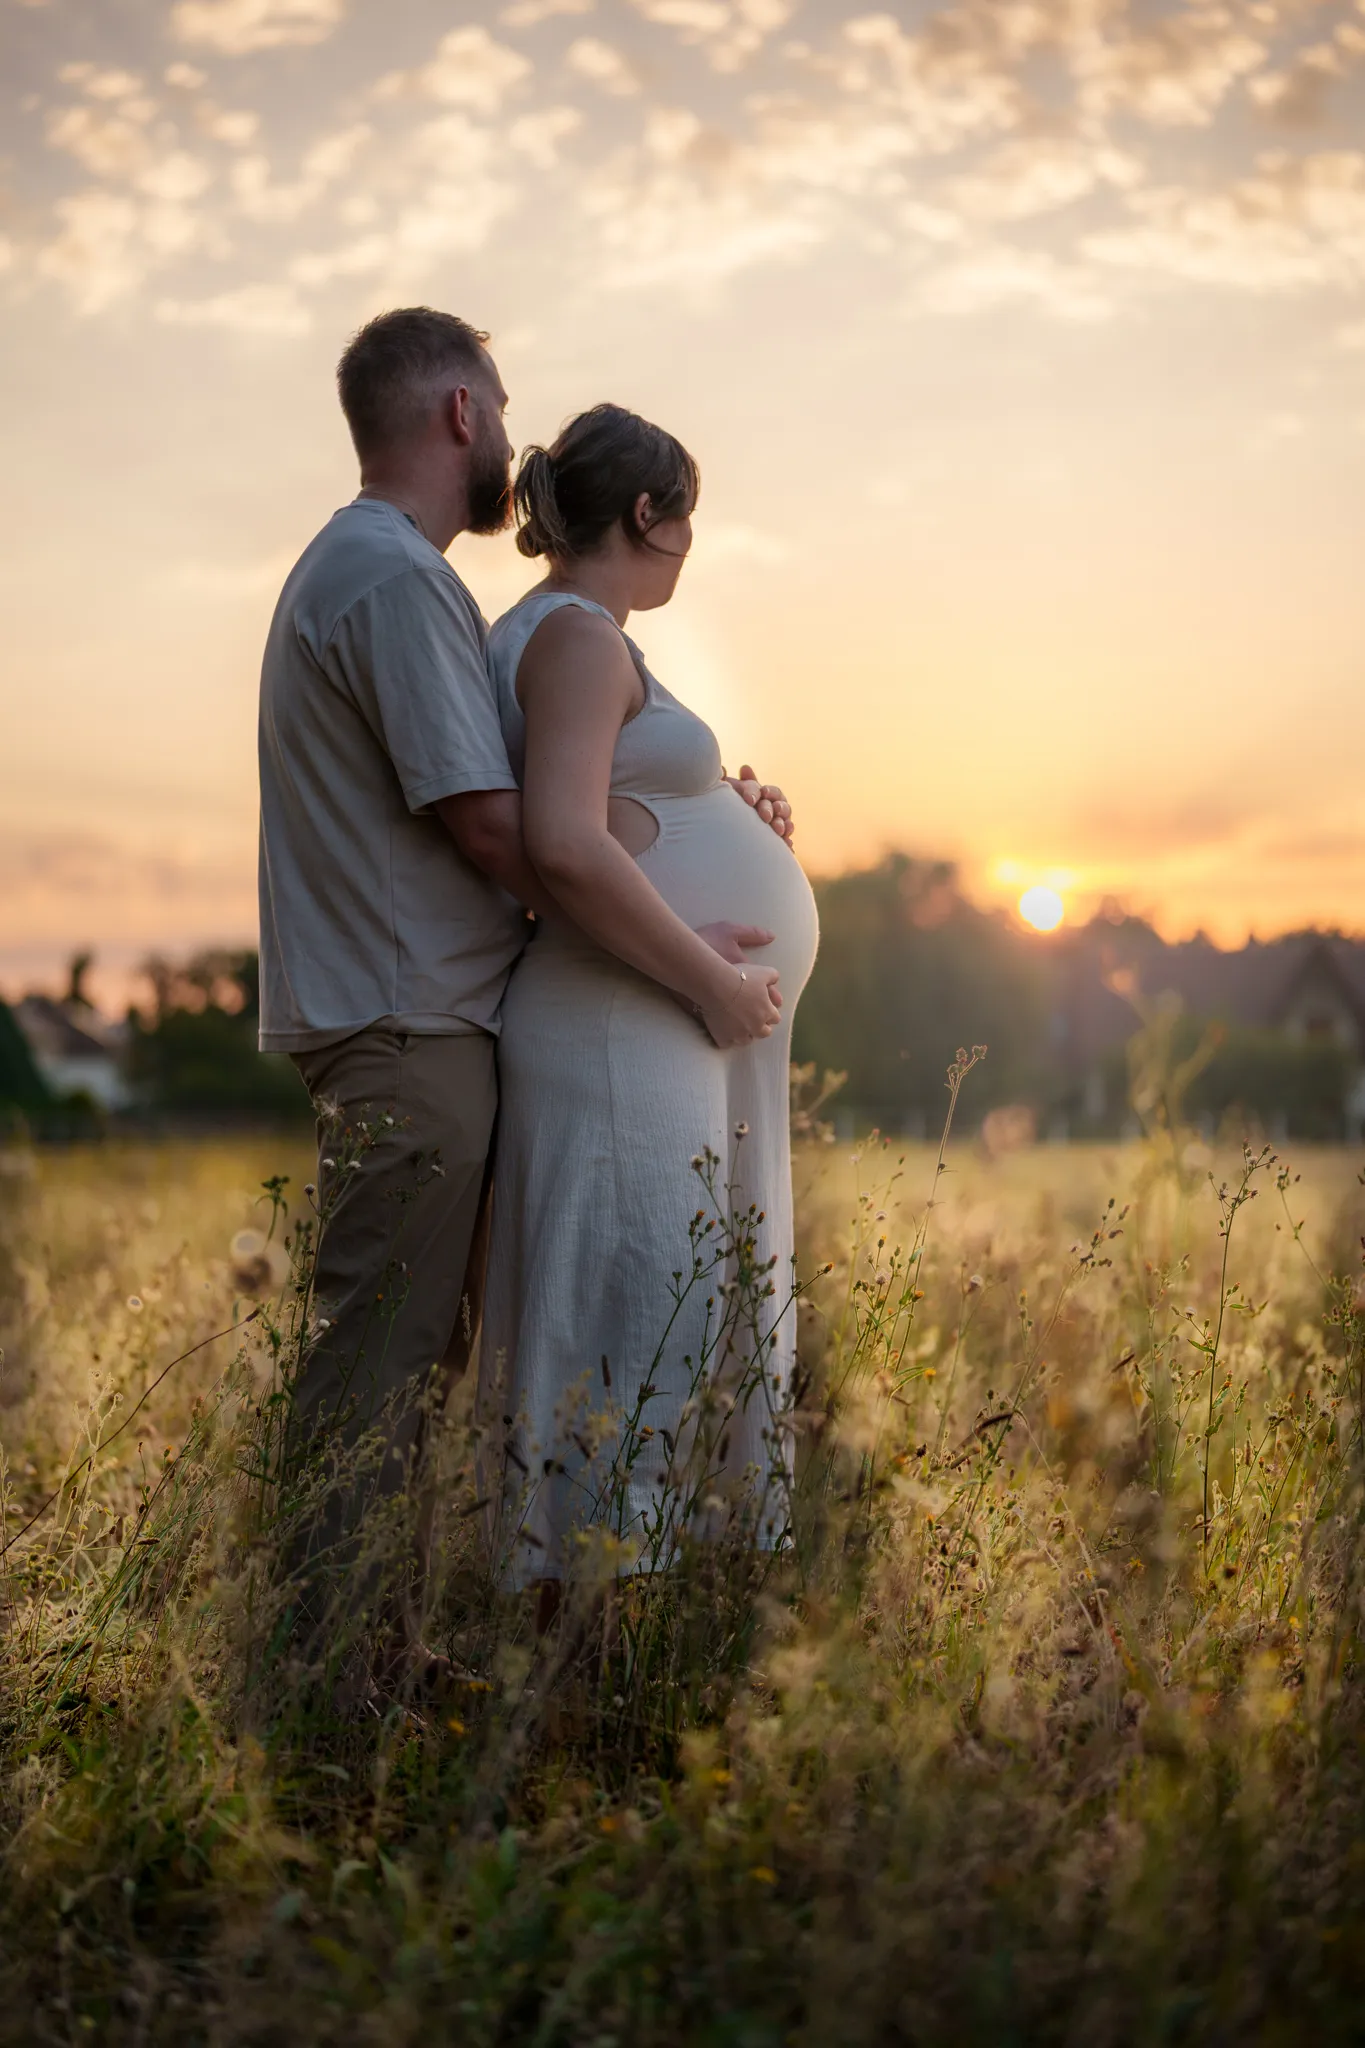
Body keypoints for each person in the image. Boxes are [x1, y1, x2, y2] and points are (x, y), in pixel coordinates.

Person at [256, 309, 793, 1662]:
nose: (510, 430)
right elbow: (516, 834)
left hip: (429, 1014)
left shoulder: (416, 586)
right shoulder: (396, 579)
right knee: (381, 1367)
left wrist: (695, 819)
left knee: (416, 1361)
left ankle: (374, 1654)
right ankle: (323, 1676)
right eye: (494, 403)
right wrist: (688, 942)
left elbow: (539, 803)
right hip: (410, 1018)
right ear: (458, 412)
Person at [480, 404, 820, 1588]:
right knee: (635, 1328)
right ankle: (597, 1632)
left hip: (647, 1013)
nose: (689, 546)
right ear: (647, 514)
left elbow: (618, 811)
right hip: (625, 1021)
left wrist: (722, 807)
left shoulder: (575, 635)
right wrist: (711, 975)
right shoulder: (578, 637)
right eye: (687, 519)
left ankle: (627, 1617)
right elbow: (566, 842)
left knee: (657, 1313)